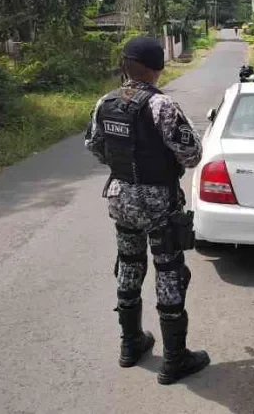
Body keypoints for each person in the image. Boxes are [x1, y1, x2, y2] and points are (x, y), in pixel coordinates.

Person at [84, 36, 210, 385]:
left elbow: (94, 146)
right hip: (157, 202)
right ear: (157, 69)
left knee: (128, 263)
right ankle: (175, 358)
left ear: (125, 66)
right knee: (168, 270)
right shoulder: (162, 106)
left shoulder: (104, 102)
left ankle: (130, 344)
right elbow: (192, 155)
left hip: (120, 197)